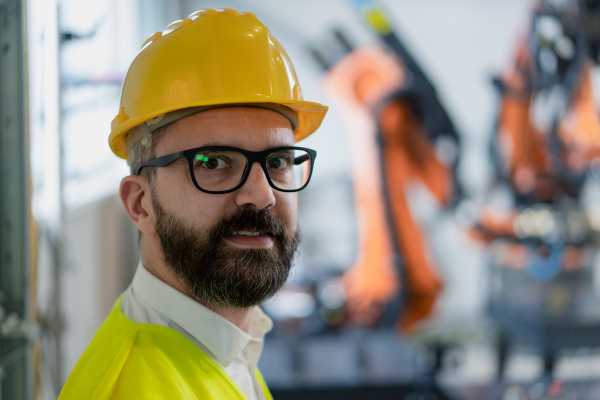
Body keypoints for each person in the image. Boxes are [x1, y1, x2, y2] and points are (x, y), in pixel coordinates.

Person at [58, 8, 327, 400]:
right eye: (214, 162)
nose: (263, 194)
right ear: (140, 205)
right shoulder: (134, 389)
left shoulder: (227, 346)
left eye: (278, 162)